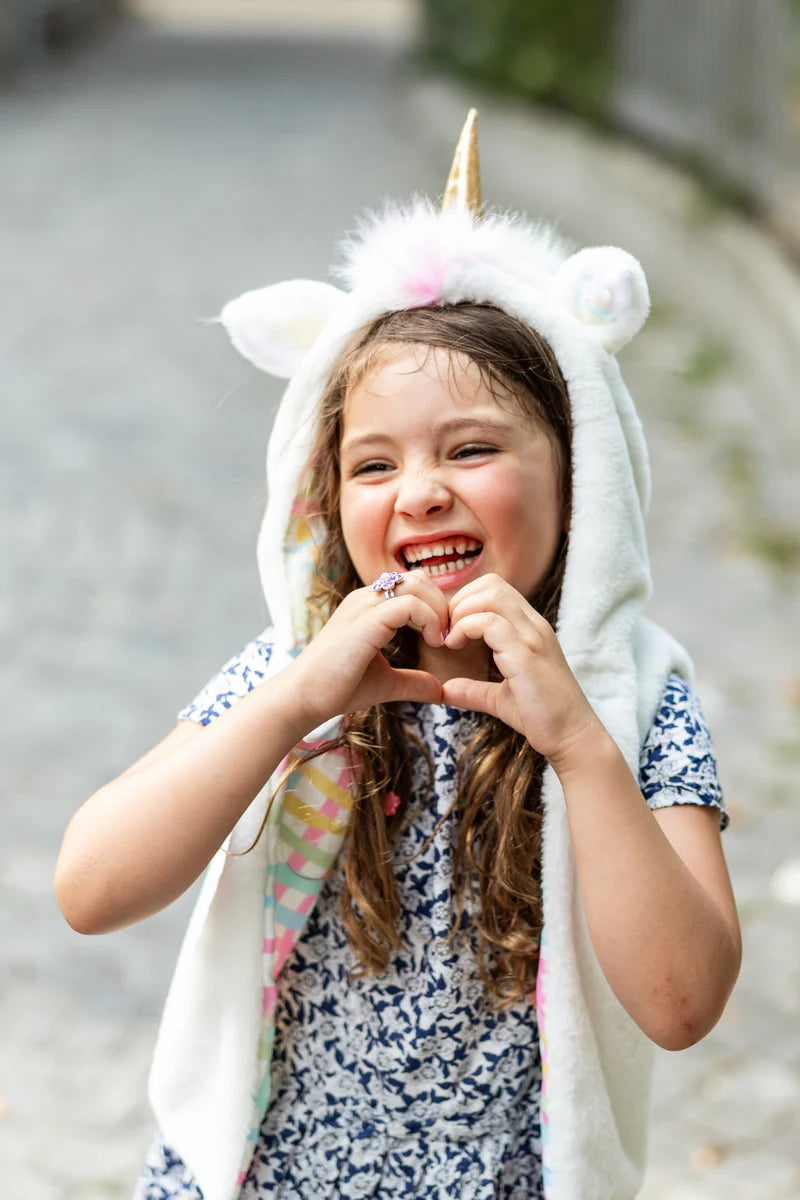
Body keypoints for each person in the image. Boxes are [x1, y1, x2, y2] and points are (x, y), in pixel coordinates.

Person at [55, 112, 741, 1200]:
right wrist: (289, 706)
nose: (420, 489)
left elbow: (680, 1002)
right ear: (325, 501)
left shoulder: (633, 699)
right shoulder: (297, 669)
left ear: (579, 478)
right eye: (374, 465)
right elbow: (89, 888)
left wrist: (578, 745)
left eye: (471, 449)